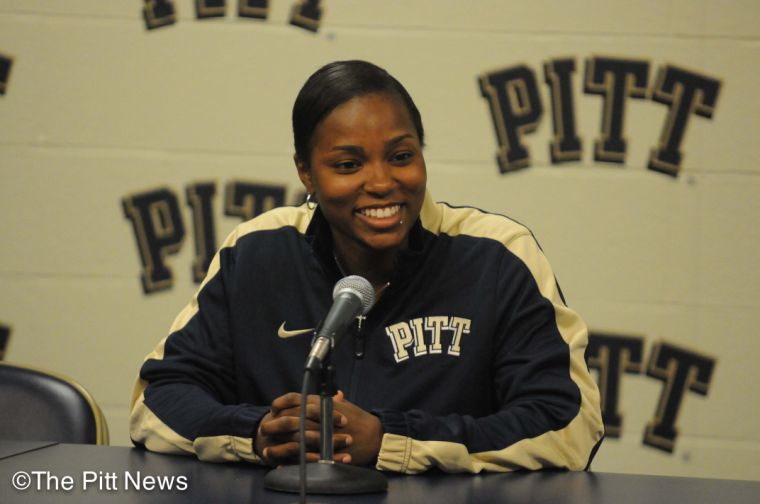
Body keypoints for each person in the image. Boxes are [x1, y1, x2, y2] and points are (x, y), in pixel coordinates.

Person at [129, 60, 604, 474]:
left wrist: (389, 440)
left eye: (401, 156)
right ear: (306, 173)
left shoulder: (497, 254)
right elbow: (158, 400)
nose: (381, 182)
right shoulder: (257, 250)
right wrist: (258, 433)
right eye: (348, 164)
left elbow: (568, 425)